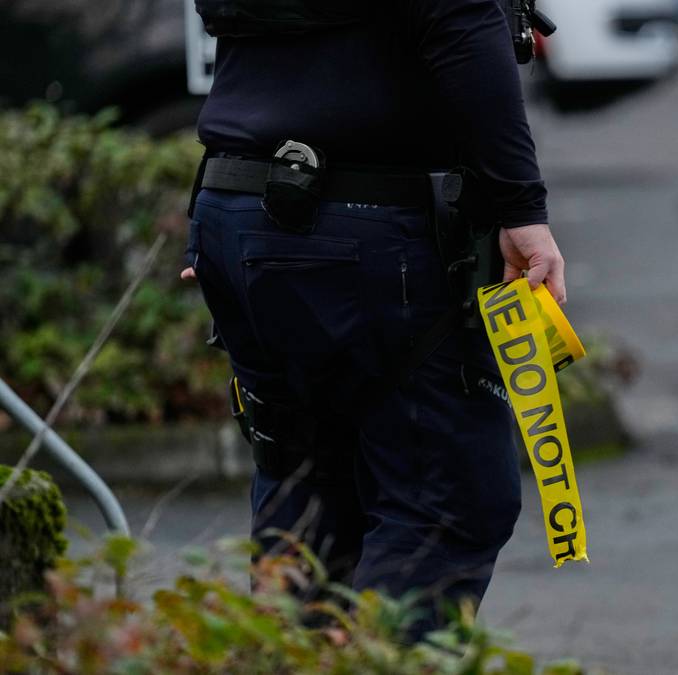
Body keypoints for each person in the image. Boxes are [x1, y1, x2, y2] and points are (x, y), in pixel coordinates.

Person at [179, 0, 565, 634]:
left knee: (304, 490)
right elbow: (460, 14)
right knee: (445, 507)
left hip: (238, 206)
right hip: (373, 223)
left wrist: (236, 204)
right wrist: (522, 208)